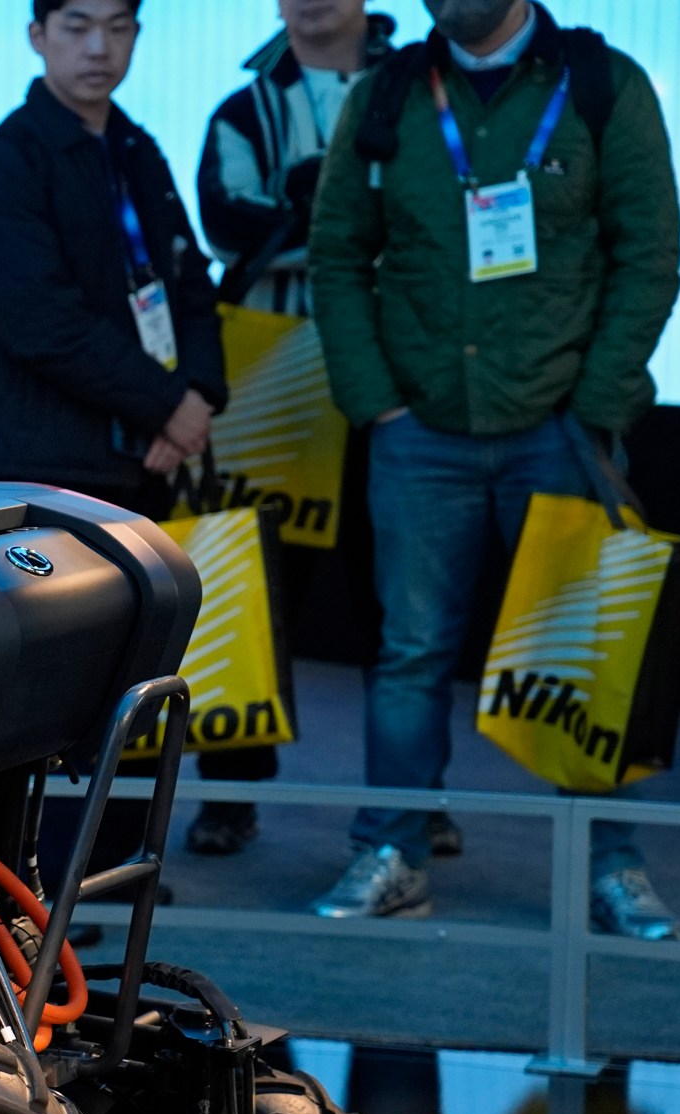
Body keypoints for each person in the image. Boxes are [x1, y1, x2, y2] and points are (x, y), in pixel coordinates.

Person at [306, 0, 680, 935]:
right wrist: (376, 405)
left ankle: (614, 864)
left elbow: (651, 253)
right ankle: (394, 850)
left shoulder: (602, 84)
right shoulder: (391, 92)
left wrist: (597, 405)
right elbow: (339, 254)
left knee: (585, 659)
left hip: (562, 425)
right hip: (419, 431)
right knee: (410, 653)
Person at [178, 0, 396, 859]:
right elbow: (229, 223)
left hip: (387, 378)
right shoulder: (241, 107)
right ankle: (232, 792)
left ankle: (412, 803)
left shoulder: (419, 86)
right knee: (250, 588)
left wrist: (305, 209)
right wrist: (344, 220)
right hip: (271, 376)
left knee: (398, 605)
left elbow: (421, 220)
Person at [0, 0, 222, 503]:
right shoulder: (5, 160)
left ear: (136, 34)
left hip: (145, 455)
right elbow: (39, 320)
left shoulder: (137, 149)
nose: (99, 48)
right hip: (40, 463)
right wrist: (166, 405)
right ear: (38, 36)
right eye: (77, 27)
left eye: (118, 28)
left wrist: (198, 395)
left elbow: (192, 283)